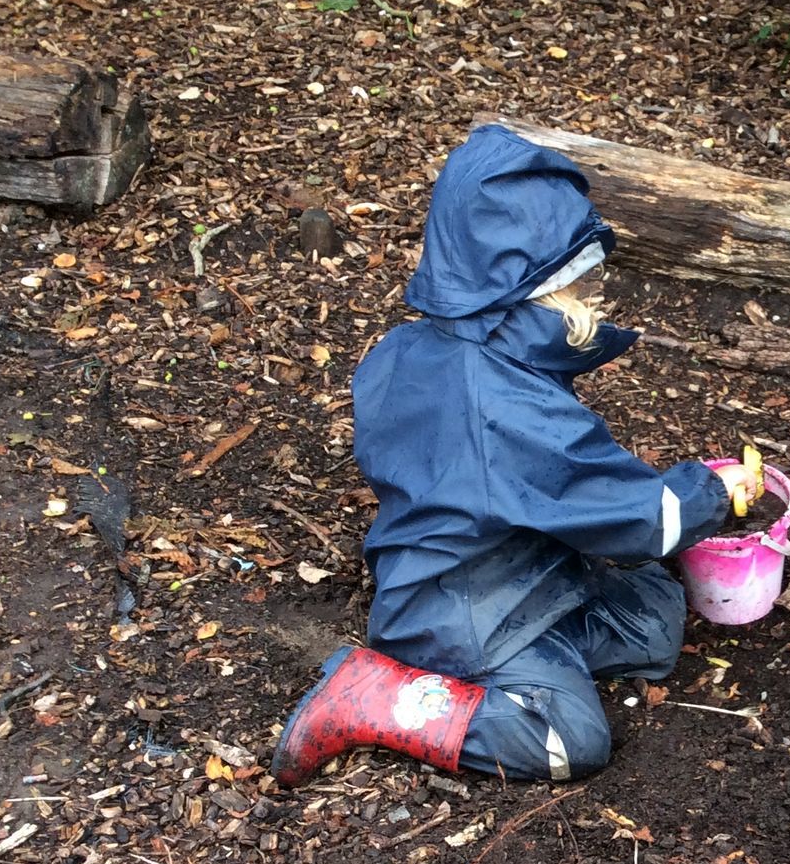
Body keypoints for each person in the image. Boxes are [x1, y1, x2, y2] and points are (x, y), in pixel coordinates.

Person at [270, 126, 761, 789]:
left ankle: (542, 655)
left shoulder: (424, 348)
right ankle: (377, 697)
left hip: (514, 565)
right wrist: (708, 492)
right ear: (544, 287)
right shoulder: (504, 404)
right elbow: (629, 511)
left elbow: (544, 477)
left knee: (654, 619)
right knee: (568, 740)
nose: (591, 297)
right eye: (580, 281)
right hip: (460, 605)